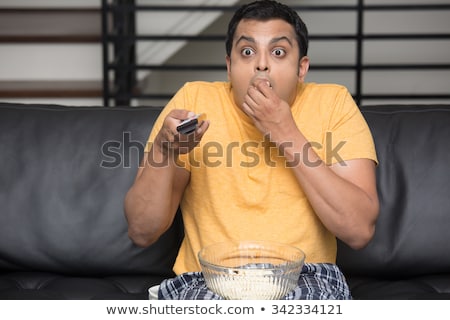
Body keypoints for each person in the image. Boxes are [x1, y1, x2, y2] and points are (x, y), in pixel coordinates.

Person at [124, 0, 379, 300]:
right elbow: (142, 231)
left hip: (305, 276)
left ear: (301, 69)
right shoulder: (194, 100)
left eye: (278, 52)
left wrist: (285, 132)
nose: (261, 64)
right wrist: (165, 151)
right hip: (208, 278)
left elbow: (359, 230)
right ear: (229, 66)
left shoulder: (333, 103)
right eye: (247, 52)